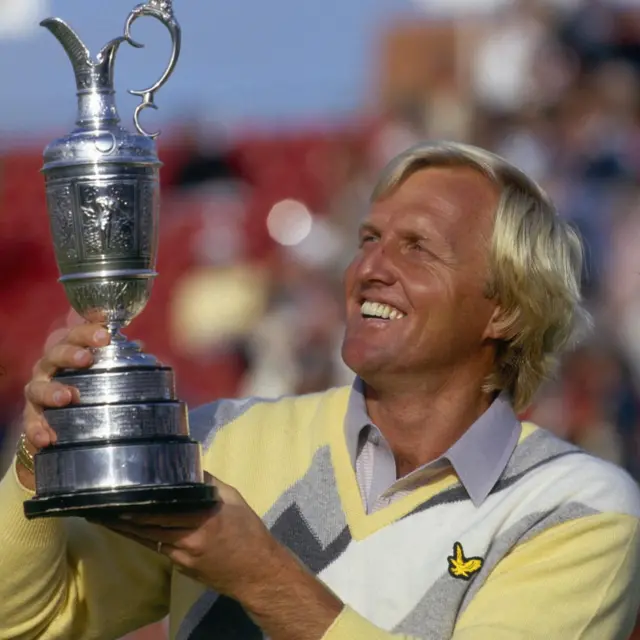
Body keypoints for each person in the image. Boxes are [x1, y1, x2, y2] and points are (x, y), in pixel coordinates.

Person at [1, 141, 640, 640]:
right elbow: (25, 622)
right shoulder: (221, 438)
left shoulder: (579, 508)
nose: (370, 268)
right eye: (369, 239)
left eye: (417, 249)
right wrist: (39, 461)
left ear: (505, 308)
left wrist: (261, 576)